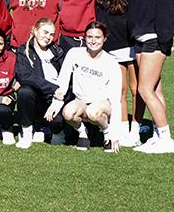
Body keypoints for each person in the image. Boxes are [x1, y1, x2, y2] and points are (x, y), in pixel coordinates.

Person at [124, 0, 174, 154]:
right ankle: (158, 135)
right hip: (140, 39)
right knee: (155, 89)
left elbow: (168, 5)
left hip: (154, 39)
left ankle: (166, 139)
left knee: (144, 89)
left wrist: (165, 38)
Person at [45, 22, 124, 153]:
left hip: (102, 104)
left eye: (97, 37)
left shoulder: (111, 62)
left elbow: (116, 100)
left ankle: (106, 132)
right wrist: (55, 105)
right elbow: (62, 81)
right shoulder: (74, 53)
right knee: (68, 113)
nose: (93, 41)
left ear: (104, 38)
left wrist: (115, 133)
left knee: (93, 111)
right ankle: (82, 132)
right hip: (81, 100)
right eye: (89, 37)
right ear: (84, 38)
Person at [94, 0, 141, 147]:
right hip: (111, 50)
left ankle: (136, 129)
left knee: (137, 89)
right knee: (119, 91)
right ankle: (122, 129)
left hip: (131, 46)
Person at [13, 18, 65, 149]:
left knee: (57, 122)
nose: (48, 37)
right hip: (37, 97)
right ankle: (27, 133)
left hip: (56, 98)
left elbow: (66, 78)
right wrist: (53, 88)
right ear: (35, 31)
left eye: (52, 34)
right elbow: (25, 76)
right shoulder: (24, 50)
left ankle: (57, 132)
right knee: (24, 91)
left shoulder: (58, 51)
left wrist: (57, 100)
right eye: (45, 32)